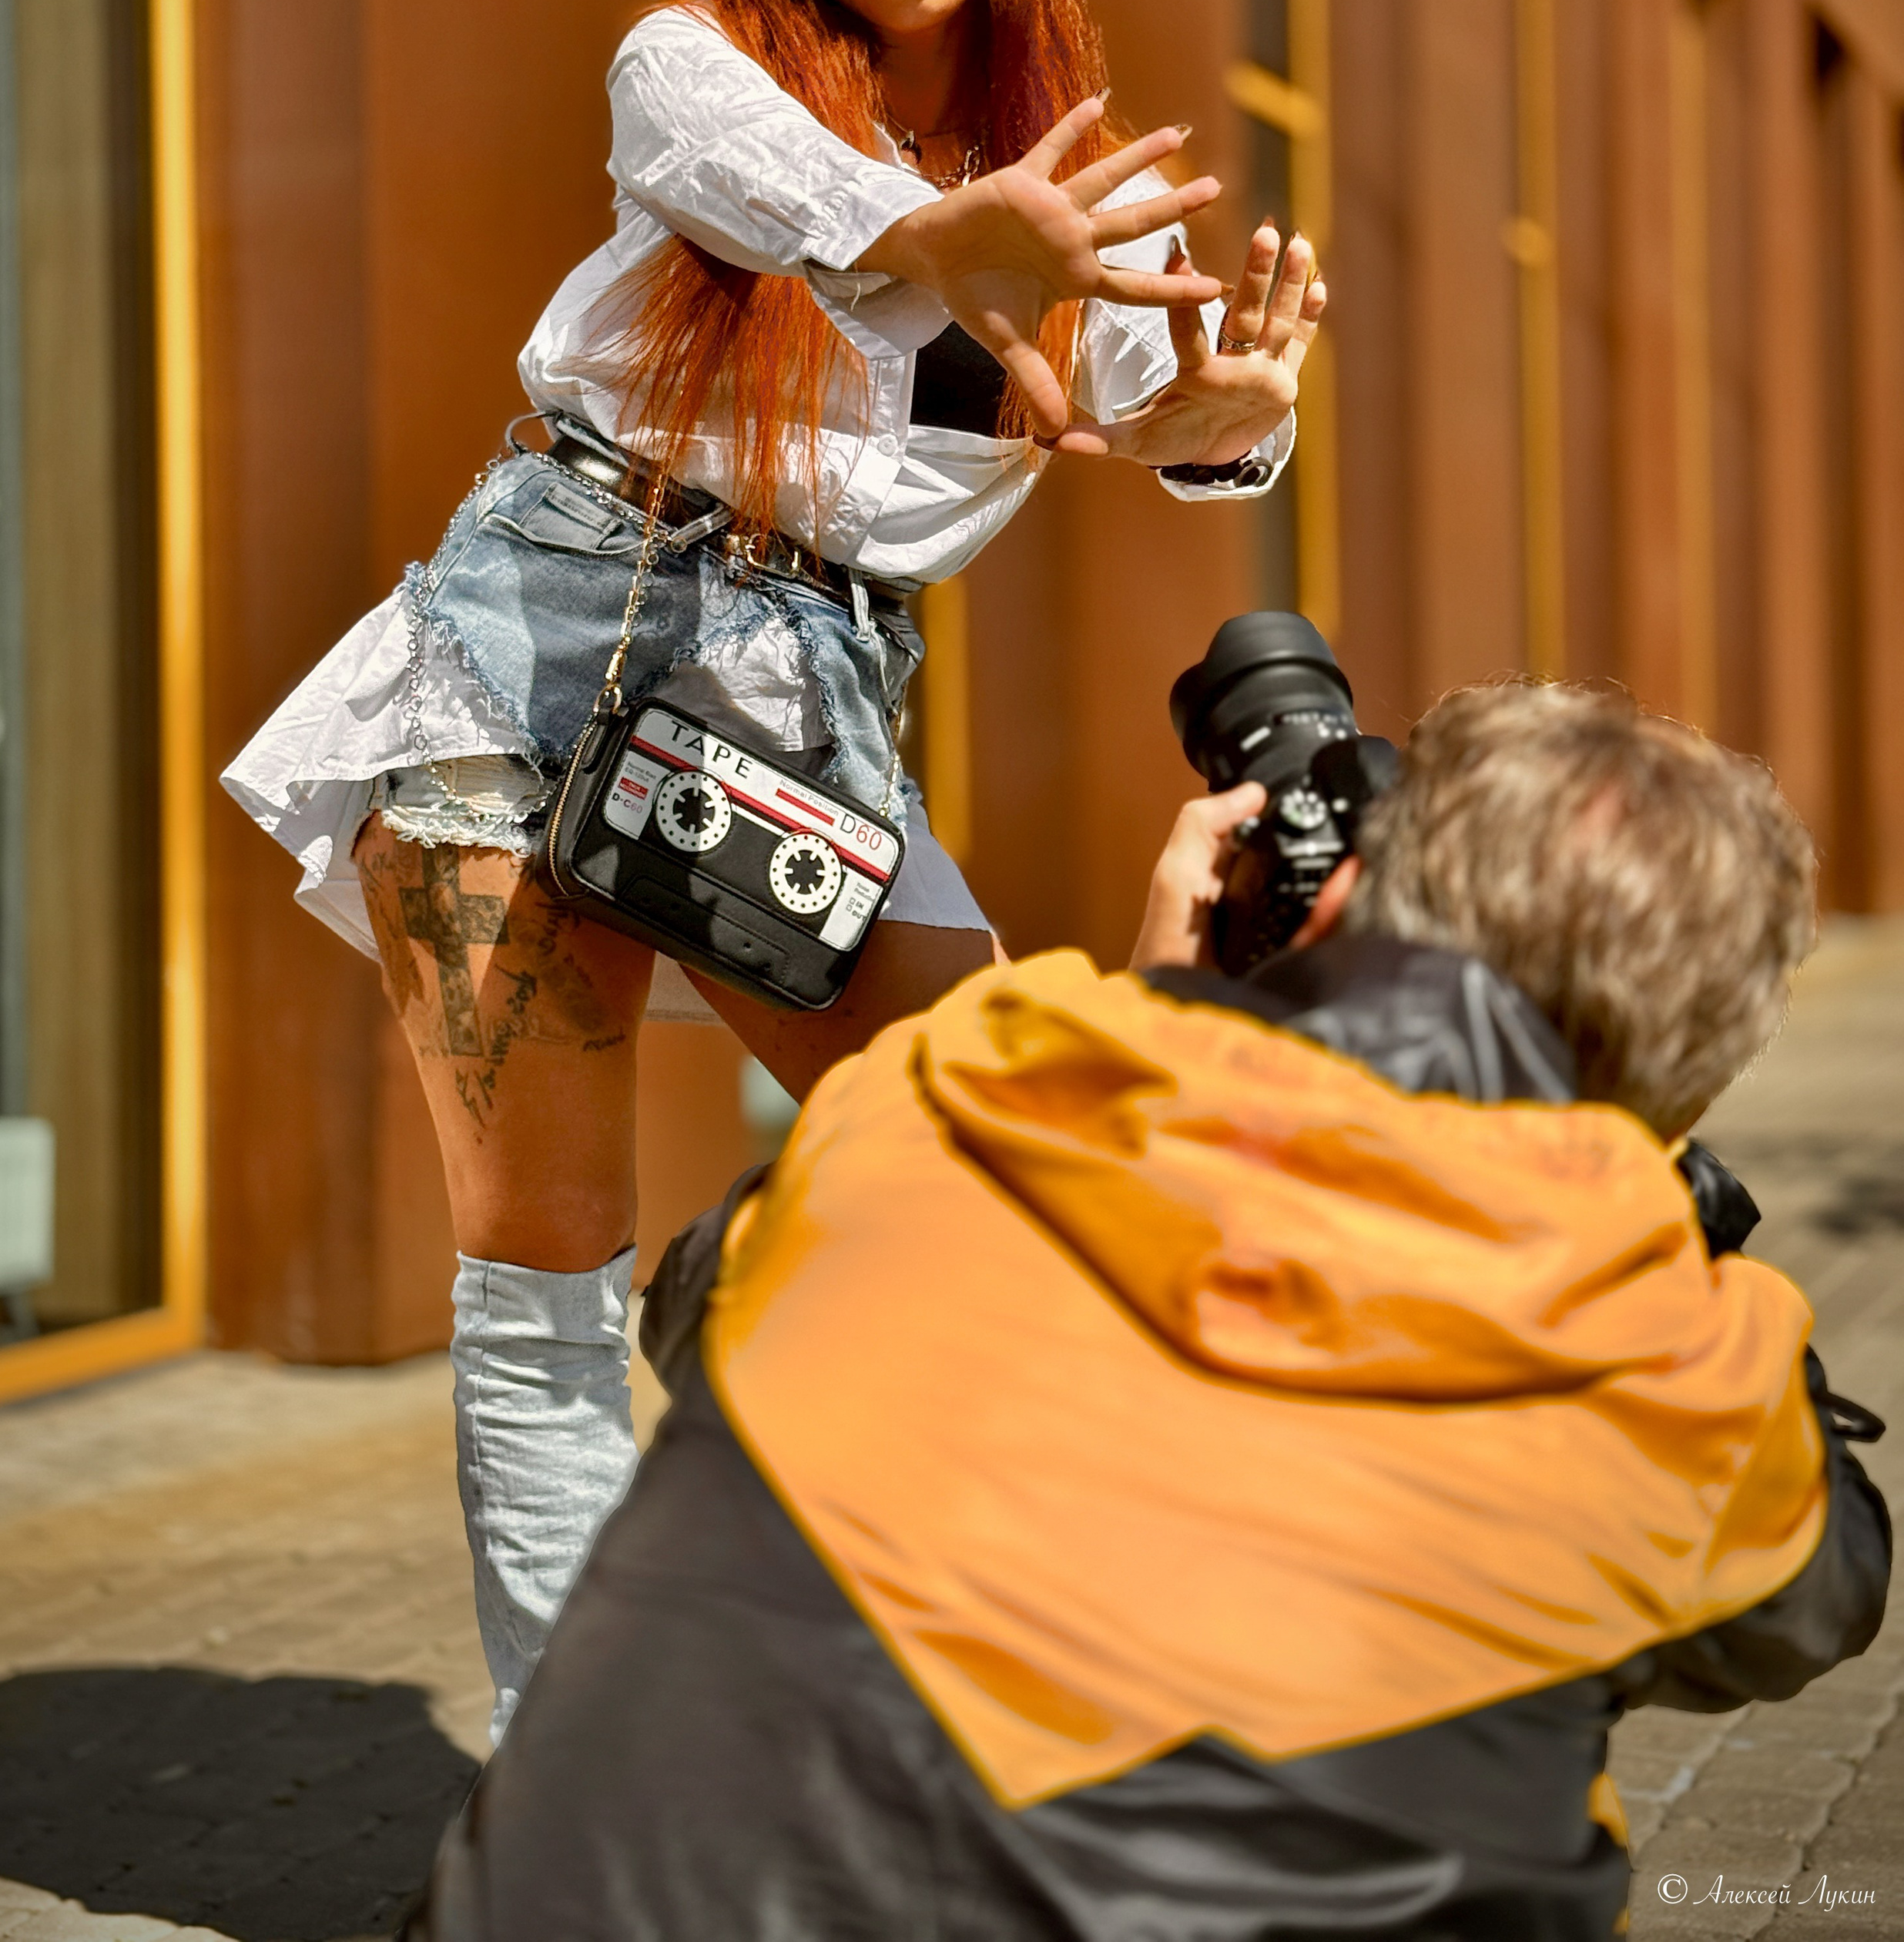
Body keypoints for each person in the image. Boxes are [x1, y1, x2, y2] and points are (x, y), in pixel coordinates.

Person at [222, 0, 1327, 1739]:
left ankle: (746, 1329)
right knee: (531, 1266)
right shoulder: (694, 63)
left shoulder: (1064, 183)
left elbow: (1144, 414)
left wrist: (1232, 426)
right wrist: (943, 235)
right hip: (517, 653)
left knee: (1002, 1147)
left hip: (786, 691)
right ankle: (572, 1786)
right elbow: (784, 196)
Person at [406, 682, 1889, 1941]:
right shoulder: (1677, 1352)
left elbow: (699, 1311)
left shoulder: (959, 1091)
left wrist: (1153, 1009)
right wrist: (1655, 1176)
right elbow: (1817, 1603)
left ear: (1346, 891)